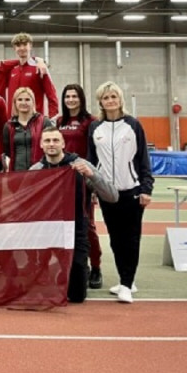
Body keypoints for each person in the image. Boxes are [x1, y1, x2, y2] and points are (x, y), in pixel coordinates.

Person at [30, 127, 118, 303]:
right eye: (47, 141)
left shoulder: (80, 165)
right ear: (41, 144)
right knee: (44, 291)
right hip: (48, 230)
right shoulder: (36, 170)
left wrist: (92, 176)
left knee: (77, 295)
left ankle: (79, 269)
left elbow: (112, 196)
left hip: (76, 229)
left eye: (55, 140)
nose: (51, 144)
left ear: (63, 143)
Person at [89, 81, 154, 304]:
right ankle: (125, 277)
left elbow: (144, 159)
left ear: (120, 99)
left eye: (113, 97)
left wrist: (146, 188)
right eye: (106, 98)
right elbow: (92, 162)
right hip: (108, 193)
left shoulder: (133, 125)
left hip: (132, 190)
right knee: (116, 240)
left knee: (131, 238)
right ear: (101, 102)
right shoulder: (95, 128)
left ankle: (127, 284)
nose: (110, 101)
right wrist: (94, 188)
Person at [56, 83, 102, 289]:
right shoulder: (58, 121)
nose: (71, 100)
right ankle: (68, 266)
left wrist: (92, 184)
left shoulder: (91, 121)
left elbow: (94, 153)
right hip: (61, 182)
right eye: (67, 96)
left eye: (74, 96)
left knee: (88, 225)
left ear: (81, 98)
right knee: (63, 225)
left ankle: (96, 267)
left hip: (83, 181)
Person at [6, 33, 59, 117]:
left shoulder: (40, 68)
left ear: (30, 46)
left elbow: (52, 95)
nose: (22, 48)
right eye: (18, 45)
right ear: (14, 48)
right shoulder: (12, 70)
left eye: (24, 44)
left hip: (34, 121)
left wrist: (52, 118)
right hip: (13, 122)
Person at [3, 87, 53, 172]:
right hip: (17, 173)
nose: (23, 103)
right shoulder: (9, 126)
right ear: (15, 103)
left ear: (33, 102)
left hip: (40, 172)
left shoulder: (44, 122)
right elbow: (7, 151)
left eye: (27, 99)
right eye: (20, 99)